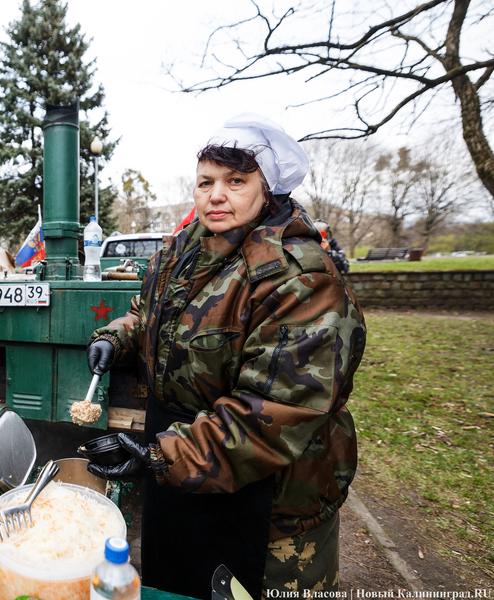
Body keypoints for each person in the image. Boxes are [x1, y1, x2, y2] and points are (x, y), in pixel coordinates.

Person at [85, 114, 366, 599]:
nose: (216, 195)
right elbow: (149, 309)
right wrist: (118, 336)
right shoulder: (180, 252)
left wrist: (158, 454)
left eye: (236, 181)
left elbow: (269, 416)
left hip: (269, 502)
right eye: (206, 182)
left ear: (267, 191)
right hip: (183, 474)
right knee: (178, 584)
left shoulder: (299, 281)